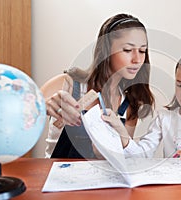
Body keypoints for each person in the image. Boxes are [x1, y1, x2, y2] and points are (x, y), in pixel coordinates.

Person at [41, 13, 155, 158]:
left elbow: (123, 159)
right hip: (57, 177)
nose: (137, 59)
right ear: (106, 50)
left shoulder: (129, 105)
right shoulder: (68, 84)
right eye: (127, 50)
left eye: (142, 51)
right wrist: (42, 106)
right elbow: (19, 114)